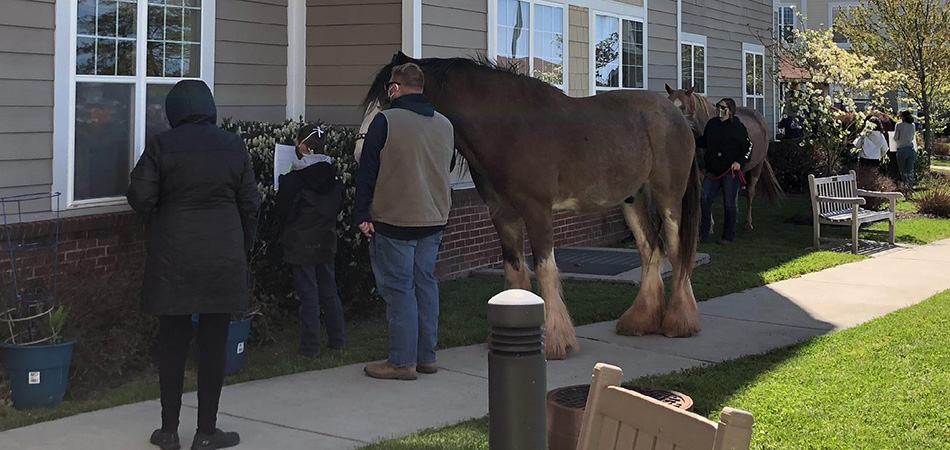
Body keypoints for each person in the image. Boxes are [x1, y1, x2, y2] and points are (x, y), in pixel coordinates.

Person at [127, 80, 260, 450]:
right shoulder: (233, 145)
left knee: (172, 342)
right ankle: (206, 432)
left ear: (173, 111)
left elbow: (140, 197)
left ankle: (168, 431)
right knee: (214, 345)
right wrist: (242, 249)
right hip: (222, 258)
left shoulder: (161, 145)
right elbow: (251, 204)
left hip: (173, 258)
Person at [354, 62, 454, 381]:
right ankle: (426, 357)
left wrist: (362, 213)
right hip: (435, 217)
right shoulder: (445, 125)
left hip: (395, 219)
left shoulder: (384, 121)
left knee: (399, 290)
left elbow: (367, 171)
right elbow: (446, 165)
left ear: (394, 88)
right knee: (425, 283)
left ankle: (401, 362)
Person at [274, 124, 346, 357]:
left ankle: (310, 347)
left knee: (308, 294)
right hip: (326, 238)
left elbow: (282, 214)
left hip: (301, 241)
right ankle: (337, 339)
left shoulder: (294, 180)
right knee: (329, 290)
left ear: (303, 147)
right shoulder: (334, 176)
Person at [696, 98, 752, 245]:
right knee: (705, 199)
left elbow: (747, 147)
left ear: (730, 110)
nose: (719, 110)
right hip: (713, 171)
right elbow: (704, 141)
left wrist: (739, 162)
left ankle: (728, 236)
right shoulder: (712, 124)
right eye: (718, 106)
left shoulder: (738, 127)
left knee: (729, 203)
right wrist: (690, 140)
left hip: (729, 172)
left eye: (722, 107)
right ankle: (704, 232)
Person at [894, 110, 918, 189]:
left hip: (902, 149)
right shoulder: (913, 125)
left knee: (903, 170)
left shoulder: (899, 125)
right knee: (910, 170)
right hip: (911, 149)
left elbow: (896, 137)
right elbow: (912, 136)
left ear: (903, 117)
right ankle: (910, 186)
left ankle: (905, 187)